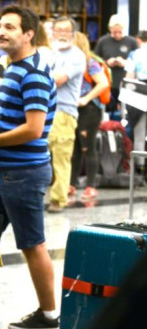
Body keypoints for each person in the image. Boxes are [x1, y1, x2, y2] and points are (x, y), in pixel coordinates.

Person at [0, 5, 59, 329]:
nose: (1, 32)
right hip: (6, 170)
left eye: (10, 27)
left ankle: (50, 315)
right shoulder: (15, 67)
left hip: (22, 173)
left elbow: (34, 129)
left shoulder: (33, 73)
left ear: (28, 33)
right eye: (0, 26)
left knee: (32, 243)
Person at [47, 17, 86, 213]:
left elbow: (59, 80)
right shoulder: (49, 53)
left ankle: (58, 200)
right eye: (58, 30)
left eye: (66, 30)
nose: (62, 34)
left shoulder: (77, 55)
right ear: (52, 32)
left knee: (61, 159)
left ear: (73, 34)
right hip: (44, 111)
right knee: (40, 157)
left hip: (64, 113)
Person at [70, 31, 109, 202]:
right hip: (76, 109)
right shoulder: (72, 62)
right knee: (76, 148)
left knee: (88, 148)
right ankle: (72, 184)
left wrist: (86, 98)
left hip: (90, 110)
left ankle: (91, 186)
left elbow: (103, 83)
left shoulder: (90, 62)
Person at [95, 14, 138, 118]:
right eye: (114, 32)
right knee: (107, 110)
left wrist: (125, 62)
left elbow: (137, 62)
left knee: (125, 111)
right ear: (110, 29)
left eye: (120, 32)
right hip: (108, 81)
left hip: (125, 81)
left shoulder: (131, 42)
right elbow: (95, 60)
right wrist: (106, 62)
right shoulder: (103, 41)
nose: (117, 35)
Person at [125, 30, 147, 170]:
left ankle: (140, 168)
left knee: (139, 133)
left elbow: (129, 77)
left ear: (138, 39)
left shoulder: (134, 54)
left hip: (140, 92)